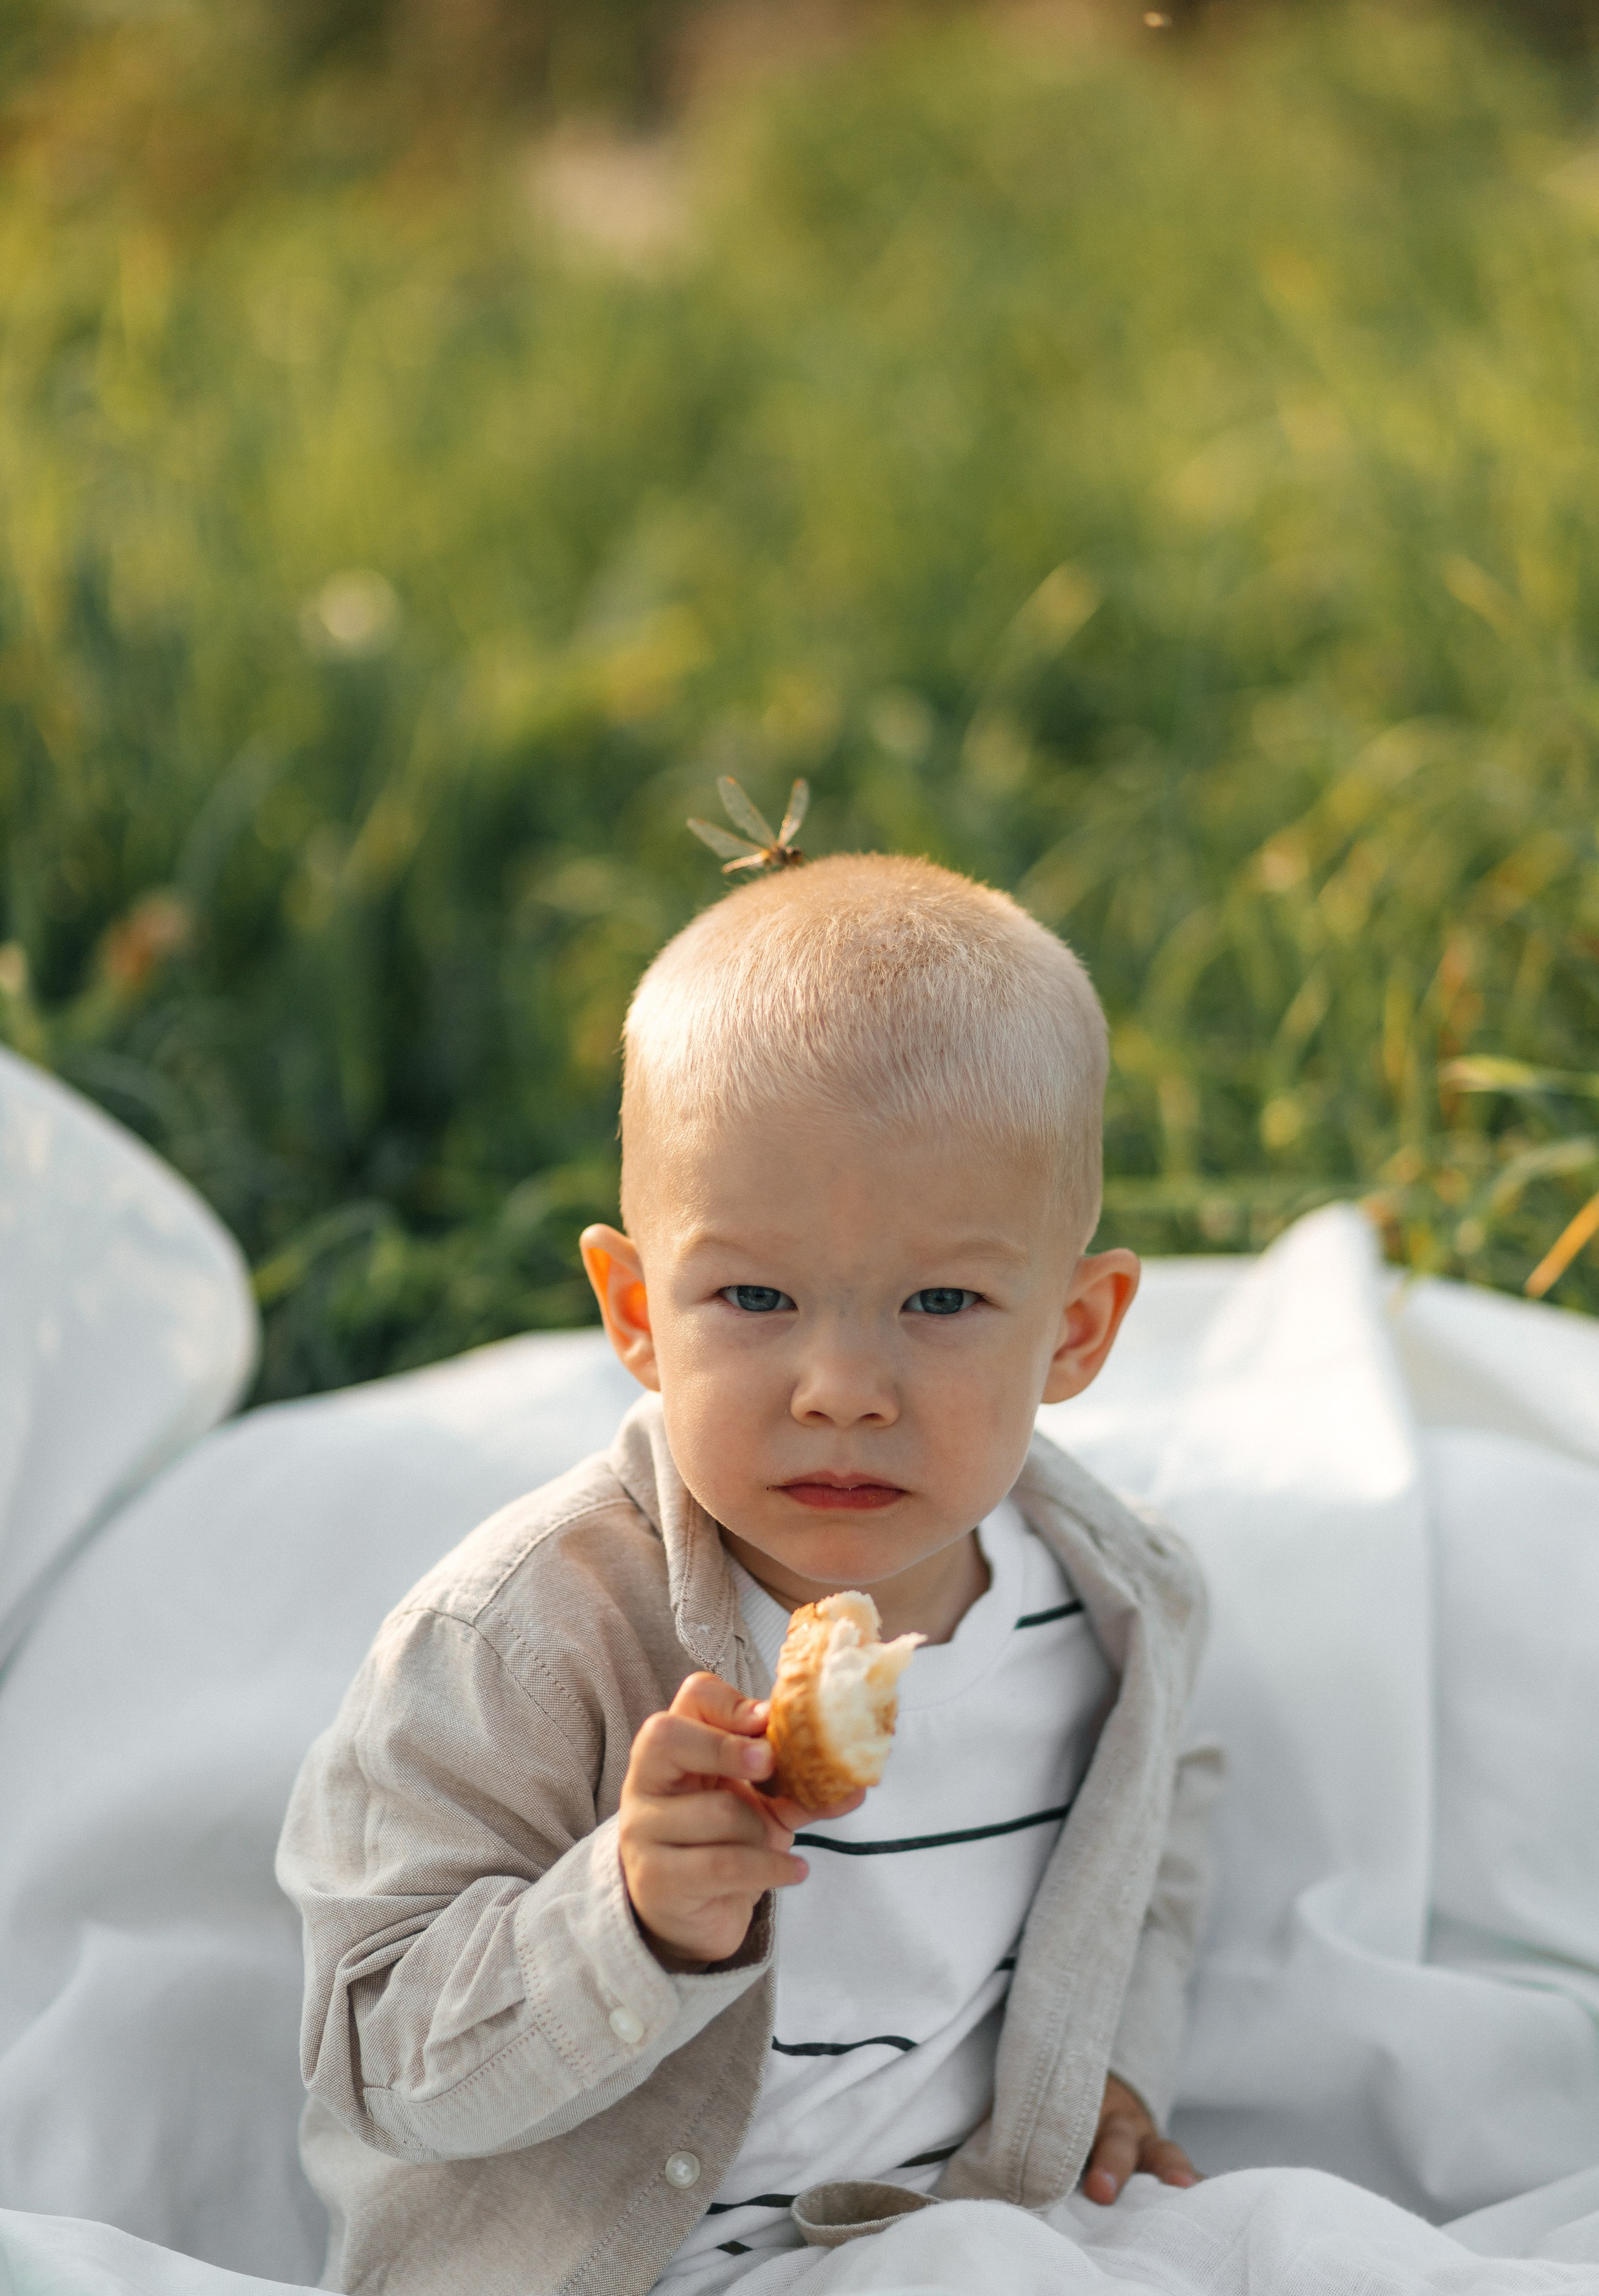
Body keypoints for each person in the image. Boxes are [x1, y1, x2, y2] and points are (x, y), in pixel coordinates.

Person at [277, 852, 1221, 2296]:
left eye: (944, 1301)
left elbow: (1154, 1845)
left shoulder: (1117, 1604)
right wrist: (632, 1916)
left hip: (972, 2226)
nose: (841, 1385)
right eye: (757, 1297)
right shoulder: (524, 1636)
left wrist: (1106, 2062)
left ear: (1077, 1330)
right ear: (637, 1311)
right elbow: (377, 2063)